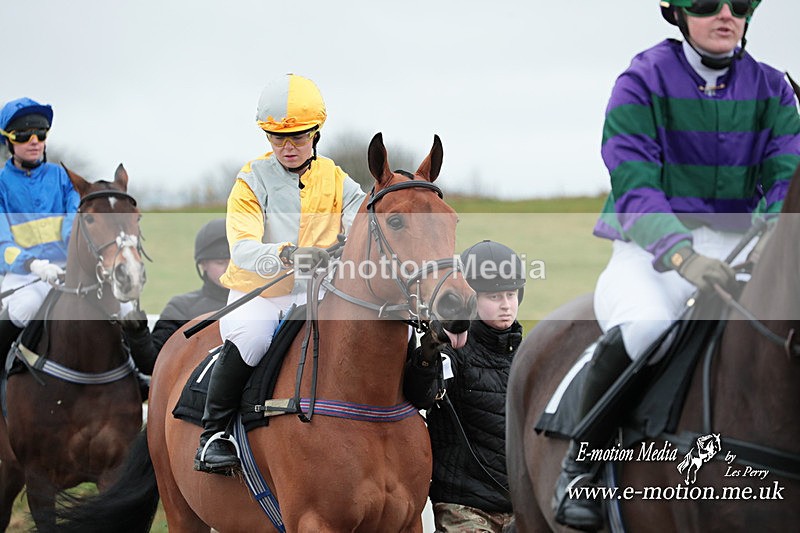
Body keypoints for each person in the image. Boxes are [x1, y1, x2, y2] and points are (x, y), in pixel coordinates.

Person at [553, 1, 800, 530]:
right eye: (709, 4)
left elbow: (784, 180)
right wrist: (682, 255)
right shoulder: (641, 80)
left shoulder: (774, 88)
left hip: (744, 250)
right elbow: (634, 181)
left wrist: (767, 236)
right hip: (650, 253)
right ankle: (582, 464)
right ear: (679, 13)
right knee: (649, 328)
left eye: (740, 4)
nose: (726, 14)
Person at [194, 73, 366, 474]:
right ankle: (213, 434)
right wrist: (290, 254)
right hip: (262, 295)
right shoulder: (250, 181)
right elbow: (243, 248)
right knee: (252, 339)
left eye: (299, 137)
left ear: (317, 133)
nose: (288, 147)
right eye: (277, 138)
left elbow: (362, 220)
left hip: (319, 294)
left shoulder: (338, 179)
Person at [404, 240, 525, 533]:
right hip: (464, 507)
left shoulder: (528, 355)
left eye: (511, 294)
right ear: (470, 299)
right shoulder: (453, 352)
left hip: (523, 507)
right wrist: (428, 353)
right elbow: (421, 395)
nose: (506, 305)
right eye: (494, 296)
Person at [0, 97, 79, 366]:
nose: (34, 140)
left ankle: (133, 373)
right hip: (23, 274)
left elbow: (75, 224)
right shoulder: (1, 186)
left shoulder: (63, 178)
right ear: (9, 140)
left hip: (68, 270)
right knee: (26, 308)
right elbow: (2, 245)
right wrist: (33, 264)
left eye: (40, 133)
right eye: (24, 135)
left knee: (121, 307)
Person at [121, 218, 231, 375]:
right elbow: (154, 363)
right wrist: (138, 333)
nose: (229, 268)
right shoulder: (182, 308)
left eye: (236, 261)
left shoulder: (261, 304)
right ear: (203, 264)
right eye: (221, 262)